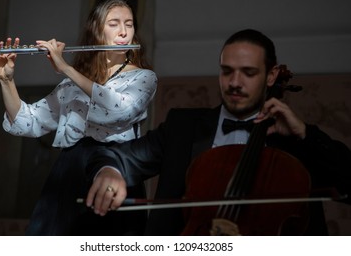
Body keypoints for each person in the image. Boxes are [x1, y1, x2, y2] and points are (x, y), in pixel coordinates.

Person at [86, 29, 351, 235]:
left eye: (248, 73)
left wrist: (305, 134)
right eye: (227, 72)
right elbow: (119, 157)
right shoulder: (183, 127)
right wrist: (111, 171)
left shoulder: (298, 141)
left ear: (271, 77)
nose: (234, 83)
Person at [0, 0, 157, 235]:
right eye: (114, 23)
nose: (123, 31)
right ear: (96, 30)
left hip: (114, 170)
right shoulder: (70, 87)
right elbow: (27, 122)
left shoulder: (143, 78)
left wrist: (67, 69)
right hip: (70, 172)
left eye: (129, 24)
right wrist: (6, 79)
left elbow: (118, 111)